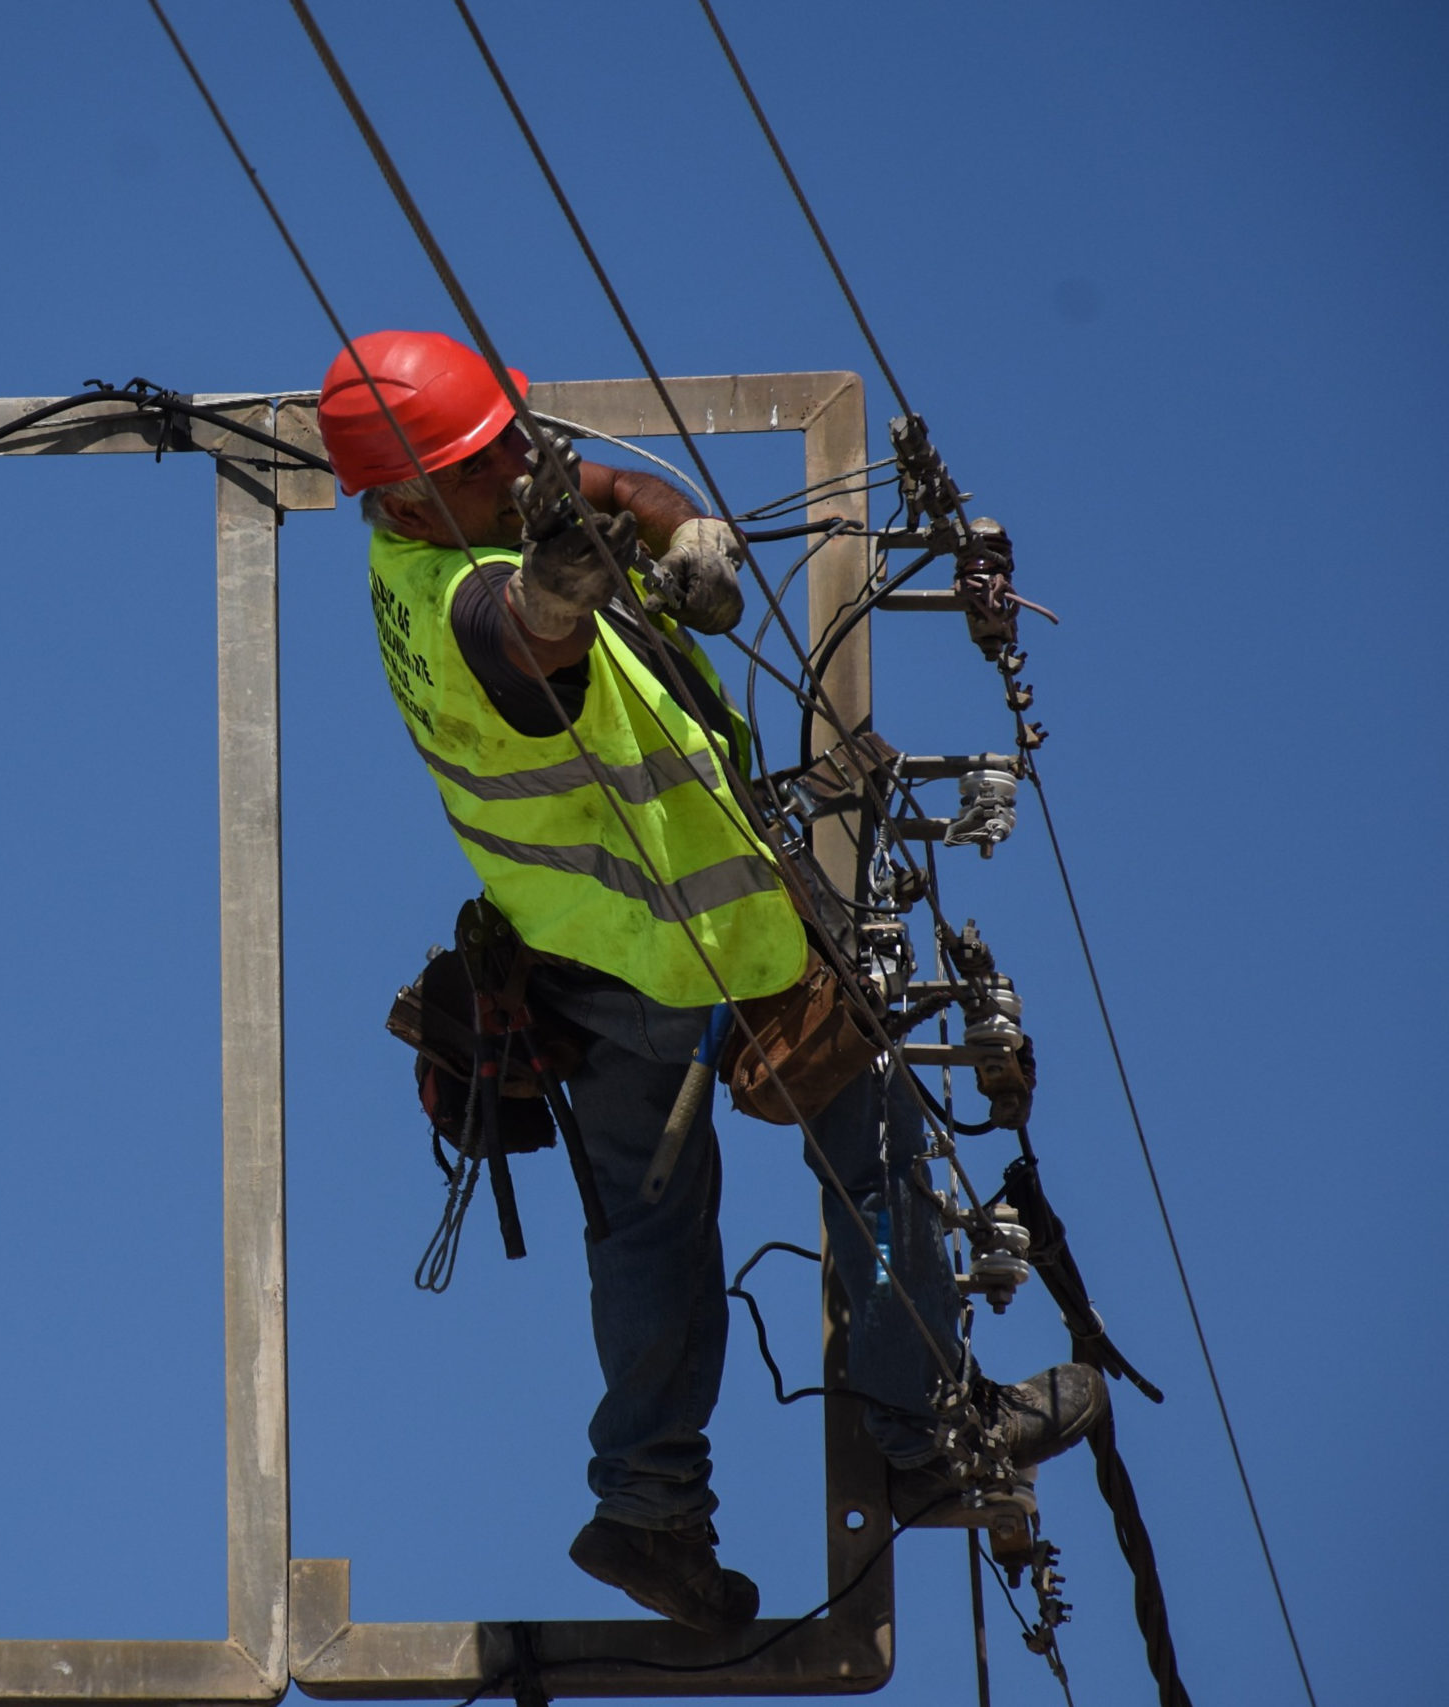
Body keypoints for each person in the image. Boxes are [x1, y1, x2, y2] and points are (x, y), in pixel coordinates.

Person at [318, 331, 1107, 1636]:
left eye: (512, 438)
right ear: (404, 500)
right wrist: (571, 586)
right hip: (703, 953)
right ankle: (928, 1436)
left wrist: (671, 530)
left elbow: (590, 500)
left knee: (646, 1230)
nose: (515, 467)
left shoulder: (425, 529)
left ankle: (646, 1512)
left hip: (577, 965)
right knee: (875, 1137)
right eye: (479, 462)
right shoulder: (465, 604)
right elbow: (529, 637)